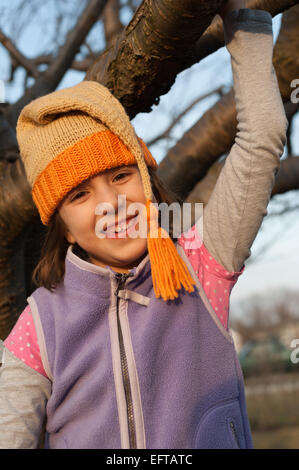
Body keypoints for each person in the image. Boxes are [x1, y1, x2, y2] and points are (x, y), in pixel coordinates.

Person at [0, 0, 288, 449]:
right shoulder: (40, 323)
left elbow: (262, 137)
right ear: (64, 229)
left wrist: (246, 17)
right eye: (79, 194)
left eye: (121, 175)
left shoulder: (202, 263)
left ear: (147, 179)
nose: (112, 203)